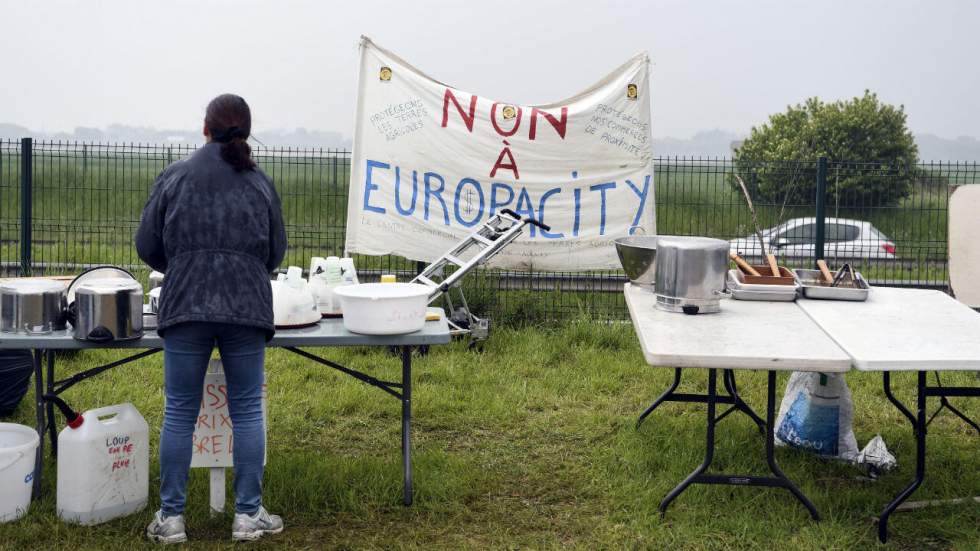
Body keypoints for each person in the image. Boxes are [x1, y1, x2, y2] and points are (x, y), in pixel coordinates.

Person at [136, 93, 288, 543]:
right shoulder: (259, 182)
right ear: (245, 131)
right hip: (246, 309)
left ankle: (171, 519)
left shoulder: (176, 175)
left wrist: (183, 264)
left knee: (180, 411)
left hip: (185, 305)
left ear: (205, 128)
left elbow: (147, 245)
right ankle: (248, 515)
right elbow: (276, 252)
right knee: (246, 411)